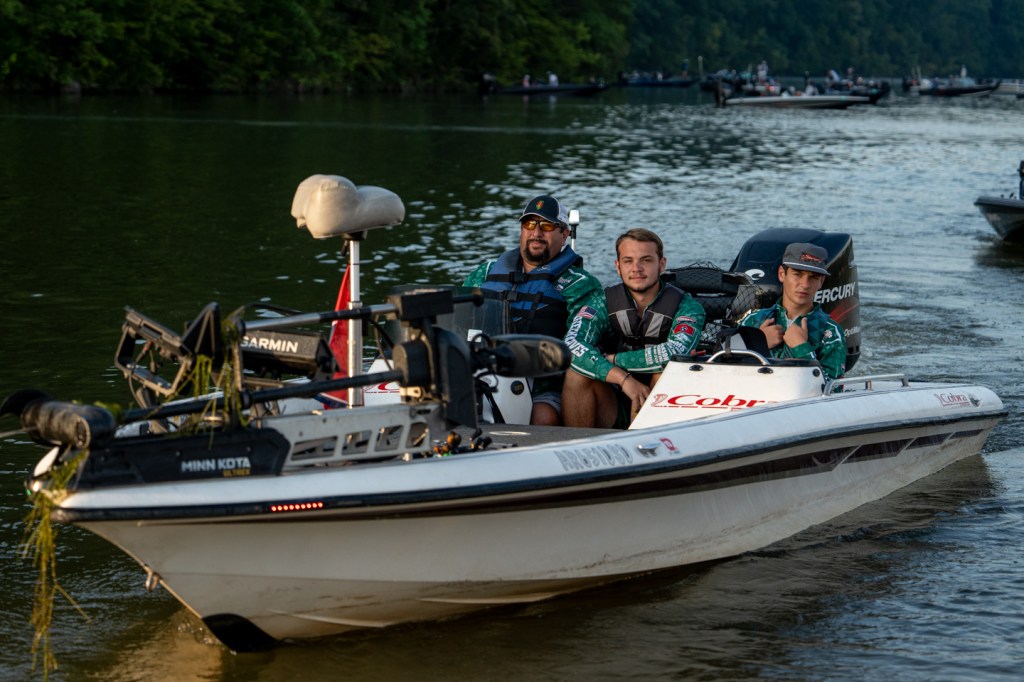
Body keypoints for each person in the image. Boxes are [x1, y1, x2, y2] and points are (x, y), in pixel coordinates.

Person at [463, 195, 602, 425]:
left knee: (543, 416)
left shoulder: (581, 284)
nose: (536, 233)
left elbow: (582, 342)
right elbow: (457, 319)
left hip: (542, 384)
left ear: (564, 234)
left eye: (546, 226)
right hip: (482, 373)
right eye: (529, 224)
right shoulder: (485, 272)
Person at [561, 228, 706, 429]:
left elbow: (674, 352)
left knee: (665, 372)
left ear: (661, 264)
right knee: (576, 373)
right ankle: (577, 444)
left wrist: (613, 359)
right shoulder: (602, 302)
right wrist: (623, 379)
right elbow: (571, 345)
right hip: (612, 400)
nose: (636, 268)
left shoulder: (688, 307)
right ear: (618, 266)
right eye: (628, 261)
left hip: (664, 405)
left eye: (646, 260)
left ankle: (652, 442)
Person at [739, 242, 846, 381]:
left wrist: (801, 349)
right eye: (797, 274)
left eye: (813, 277)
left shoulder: (832, 333)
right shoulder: (752, 321)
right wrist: (758, 345)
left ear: (821, 282)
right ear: (782, 274)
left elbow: (834, 389)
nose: (805, 284)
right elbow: (727, 374)